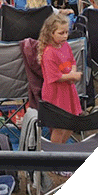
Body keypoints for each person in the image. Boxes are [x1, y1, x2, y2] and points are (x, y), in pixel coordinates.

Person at [38, 13, 83, 142]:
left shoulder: (65, 45)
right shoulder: (49, 52)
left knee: (71, 123)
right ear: (51, 33)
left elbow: (72, 61)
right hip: (55, 94)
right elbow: (54, 76)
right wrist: (72, 76)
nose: (65, 36)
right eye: (61, 33)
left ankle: (61, 148)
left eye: (66, 32)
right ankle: (55, 153)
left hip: (68, 90)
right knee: (58, 127)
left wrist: (72, 73)